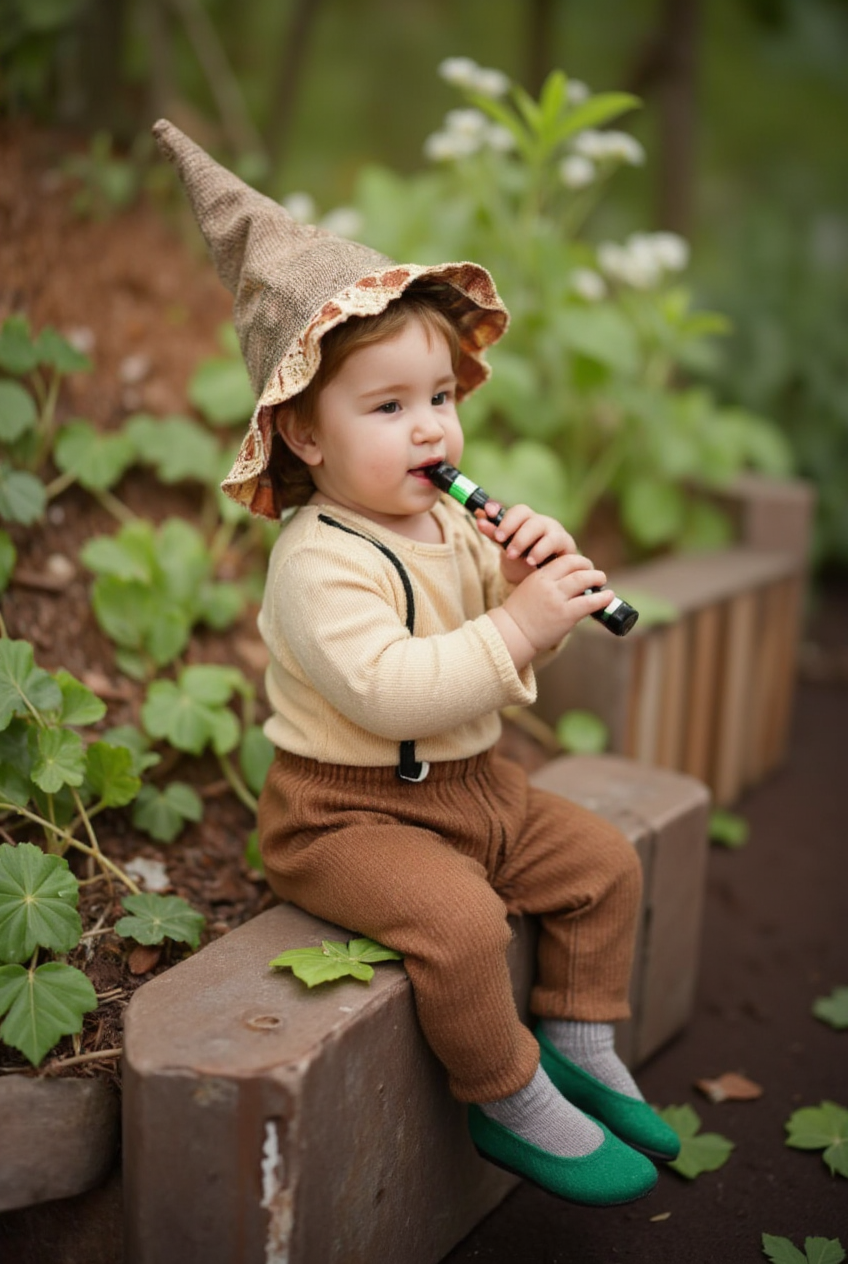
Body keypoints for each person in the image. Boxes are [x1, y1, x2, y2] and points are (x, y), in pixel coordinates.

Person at [153, 119, 681, 1208]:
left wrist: (528, 577)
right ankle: (506, 1097)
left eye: (437, 397)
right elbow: (394, 685)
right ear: (302, 434)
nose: (431, 429)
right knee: (460, 928)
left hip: (469, 785)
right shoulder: (316, 563)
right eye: (387, 408)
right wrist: (519, 626)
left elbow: (484, 624)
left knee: (602, 866)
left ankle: (579, 1047)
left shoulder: (440, 523)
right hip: (348, 814)